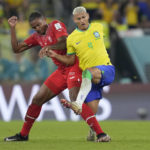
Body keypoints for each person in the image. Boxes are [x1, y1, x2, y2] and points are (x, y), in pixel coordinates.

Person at [4, 11, 108, 142]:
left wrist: (49, 47)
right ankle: (23, 135)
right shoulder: (36, 37)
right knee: (38, 99)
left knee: (75, 99)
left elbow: (64, 42)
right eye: (34, 27)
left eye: (39, 25)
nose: (37, 28)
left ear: (45, 20)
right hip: (62, 71)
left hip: (74, 65)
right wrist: (12, 28)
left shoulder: (55, 25)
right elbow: (16, 49)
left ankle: (101, 134)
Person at [46, 6, 115, 141]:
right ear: (74, 20)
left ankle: (77, 102)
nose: (82, 20)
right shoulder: (71, 39)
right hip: (89, 79)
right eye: (79, 19)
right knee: (91, 110)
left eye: (84, 17)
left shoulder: (98, 27)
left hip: (106, 69)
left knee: (88, 73)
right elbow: (70, 60)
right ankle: (93, 132)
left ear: (88, 16)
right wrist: (55, 54)